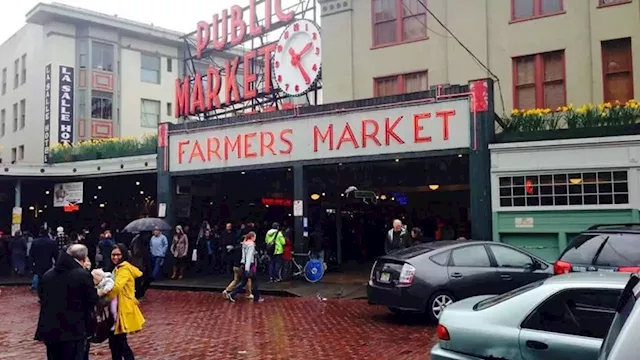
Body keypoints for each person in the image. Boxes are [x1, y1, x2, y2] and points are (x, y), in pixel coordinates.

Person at [34, 244, 98, 360]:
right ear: (84, 258)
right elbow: (92, 300)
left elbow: (42, 297)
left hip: (50, 329)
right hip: (74, 329)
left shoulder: (48, 275)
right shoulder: (82, 275)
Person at [105, 244, 144, 360]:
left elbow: (116, 287)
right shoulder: (117, 268)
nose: (115, 257)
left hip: (122, 309)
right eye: (113, 254)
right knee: (115, 343)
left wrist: (102, 297)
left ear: (123, 255)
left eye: (118, 254)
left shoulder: (124, 269)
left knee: (120, 343)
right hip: (118, 308)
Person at [226, 232, 262, 303]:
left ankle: (232, 293)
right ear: (252, 237)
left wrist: (243, 263)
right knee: (254, 281)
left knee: (243, 282)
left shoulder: (244, 244)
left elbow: (244, 256)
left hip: (245, 264)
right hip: (250, 265)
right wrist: (247, 268)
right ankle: (256, 298)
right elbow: (249, 257)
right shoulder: (251, 244)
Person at [222, 235, 252, 300]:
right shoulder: (245, 248)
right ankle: (248, 294)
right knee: (247, 280)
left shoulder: (236, 247)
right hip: (241, 266)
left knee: (236, 280)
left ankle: (227, 290)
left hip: (235, 266)